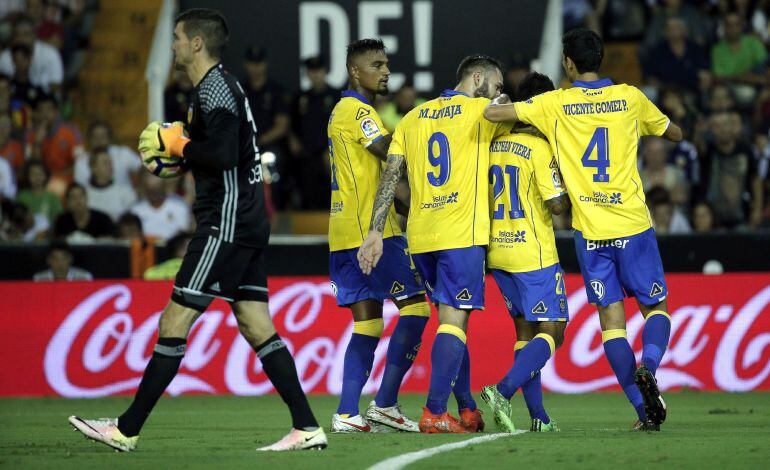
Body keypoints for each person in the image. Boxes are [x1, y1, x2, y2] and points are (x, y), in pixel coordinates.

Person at [69, 8, 326, 452]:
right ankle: (306, 427)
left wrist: (177, 144)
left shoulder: (214, 89)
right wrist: (184, 154)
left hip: (226, 222)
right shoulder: (215, 88)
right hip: (246, 220)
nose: (171, 45)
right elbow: (222, 153)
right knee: (255, 324)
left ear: (196, 43)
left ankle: (126, 429)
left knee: (174, 320)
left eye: (176, 37)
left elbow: (223, 154)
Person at [484, 28, 683, 431]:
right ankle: (649, 366)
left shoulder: (554, 102)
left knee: (612, 325)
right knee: (655, 308)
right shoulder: (630, 97)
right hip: (633, 224)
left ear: (568, 63)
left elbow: (493, 115)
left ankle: (642, 412)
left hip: (590, 233)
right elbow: (674, 132)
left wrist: (507, 101)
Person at [359, 54, 509, 433]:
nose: (498, 92)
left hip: (422, 236)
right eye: (496, 85)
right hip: (461, 232)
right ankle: (435, 412)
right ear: (478, 79)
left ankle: (467, 407)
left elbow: (390, 176)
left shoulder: (412, 118)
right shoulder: (481, 111)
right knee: (455, 321)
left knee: (450, 322)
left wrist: (375, 230)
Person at [326, 39, 431, 434]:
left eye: (386, 64)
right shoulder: (358, 111)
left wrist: (411, 207)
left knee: (368, 324)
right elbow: (390, 151)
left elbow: (375, 176)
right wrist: (426, 133)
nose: (385, 71)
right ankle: (385, 403)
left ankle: (347, 413)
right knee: (417, 309)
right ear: (355, 71)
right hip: (373, 233)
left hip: (342, 233)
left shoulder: (342, 111)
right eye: (376, 65)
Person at [479, 72, 570, 433]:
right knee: (554, 330)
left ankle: (539, 417)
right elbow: (558, 205)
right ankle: (501, 391)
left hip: (498, 253)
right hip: (533, 253)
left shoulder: (493, 144)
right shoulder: (538, 147)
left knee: (525, 333)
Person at [241, 46, 291, 208]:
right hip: (244, 147)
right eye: (252, 63)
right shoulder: (240, 90)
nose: (256, 67)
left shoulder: (275, 91)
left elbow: (282, 126)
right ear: (246, 65)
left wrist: (259, 140)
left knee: (271, 167)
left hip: (268, 146)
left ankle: (274, 211)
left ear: (265, 64)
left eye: (259, 63)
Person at [290, 56, 338, 209]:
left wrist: (332, 149)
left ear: (325, 72)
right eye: (311, 71)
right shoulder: (300, 97)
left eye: (318, 70)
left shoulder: (337, 96)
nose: (315, 74)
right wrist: (293, 140)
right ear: (307, 73)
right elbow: (291, 125)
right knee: (306, 193)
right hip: (305, 154)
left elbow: (345, 127)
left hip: (330, 153)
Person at [0, 15, 64, 92]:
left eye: (26, 35)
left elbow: (56, 84)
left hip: (45, 97)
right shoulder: (5, 58)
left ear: (34, 35)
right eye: (17, 35)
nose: (21, 39)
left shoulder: (51, 53)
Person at [74, 121, 142, 187]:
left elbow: (144, 170)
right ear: (89, 140)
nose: (99, 140)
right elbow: (79, 189)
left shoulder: (123, 153)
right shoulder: (81, 162)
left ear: (110, 138)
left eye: (103, 136)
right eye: (95, 137)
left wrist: (140, 189)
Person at [130, 174, 191, 241]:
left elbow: (183, 232)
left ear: (163, 187)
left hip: (172, 245)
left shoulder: (180, 206)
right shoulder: (136, 210)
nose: (154, 192)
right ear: (145, 189)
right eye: (150, 190)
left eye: (157, 189)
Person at [83, 147, 137, 221]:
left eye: (110, 162)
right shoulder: (84, 195)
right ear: (93, 167)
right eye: (105, 163)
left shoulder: (126, 193)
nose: (110, 166)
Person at [15, 159, 62, 223]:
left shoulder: (53, 197)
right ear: (27, 177)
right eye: (33, 174)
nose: (37, 177)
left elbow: (58, 218)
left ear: (45, 175)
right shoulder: (22, 196)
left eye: (40, 173)